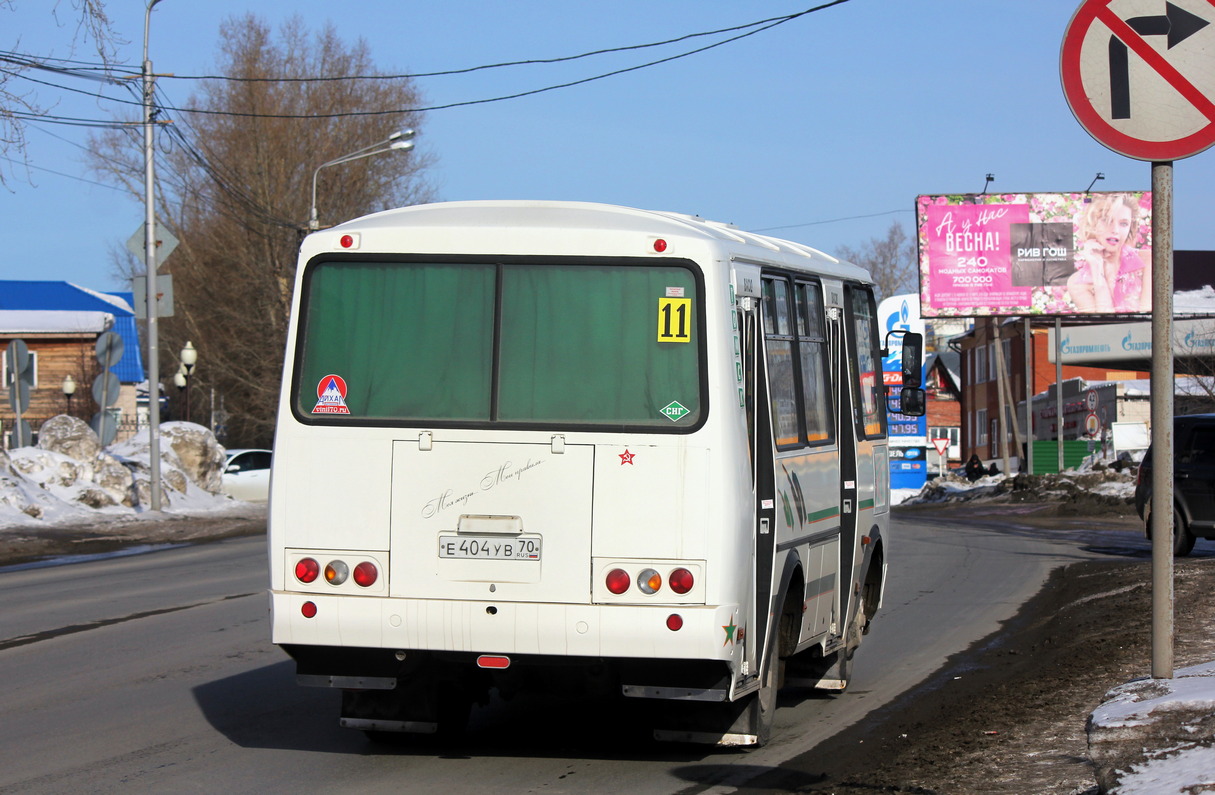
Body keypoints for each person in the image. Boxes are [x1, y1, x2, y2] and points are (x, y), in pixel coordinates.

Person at [1066, 193, 1151, 313]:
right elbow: (1104, 325)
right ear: (1092, 224)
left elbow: (1149, 319)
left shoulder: (1148, 261)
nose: (1115, 230)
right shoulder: (1077, 283)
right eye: (1107, 220)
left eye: (1123, 224)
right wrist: (1097, 269)